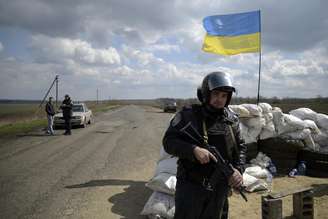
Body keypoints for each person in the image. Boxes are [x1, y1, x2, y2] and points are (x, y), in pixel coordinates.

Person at [163, 71, 247, 219]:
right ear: (206, 94)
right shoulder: (188, 116)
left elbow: (240, 147)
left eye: (224, 96)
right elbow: (169, 142)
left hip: (220, 188)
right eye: (216, 94)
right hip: (191, 187)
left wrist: (238, 170)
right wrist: (193, 150)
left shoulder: (231, 120)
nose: (219, 100)